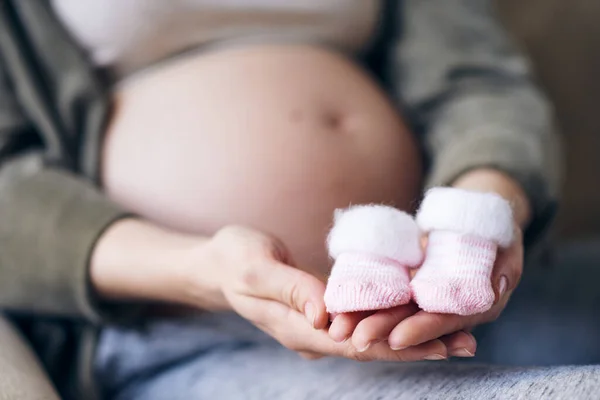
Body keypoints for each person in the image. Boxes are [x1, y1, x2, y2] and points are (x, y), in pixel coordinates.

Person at [3, 0, 591, 399]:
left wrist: (486, 205)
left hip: (465, 288)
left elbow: (476, 79)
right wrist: (204, 273)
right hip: (188, 334)